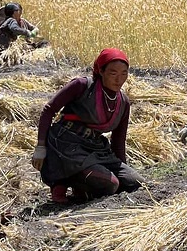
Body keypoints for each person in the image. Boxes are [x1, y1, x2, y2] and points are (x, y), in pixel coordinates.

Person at [33, 48, 145, 204]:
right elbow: (49, 110)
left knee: (135, 183)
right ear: (101, 71)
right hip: (66, 144)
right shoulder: (82, 86)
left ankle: (86, 183)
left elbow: (118, 141)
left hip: (95, 147)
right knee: (111, 185)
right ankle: (63, 181)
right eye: (113, 73)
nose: (119, 80)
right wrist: (41, 147)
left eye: (124, 74)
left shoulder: (123, 102)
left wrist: (122, 170)